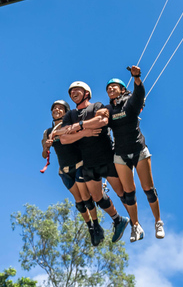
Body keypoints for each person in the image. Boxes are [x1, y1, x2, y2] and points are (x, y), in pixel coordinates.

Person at [54, 81, 130, 245]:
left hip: (106, 157)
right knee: (97, 197)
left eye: (77, 90)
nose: (73, 93)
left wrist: (78, 126)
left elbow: (101, 122)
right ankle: (118, 220)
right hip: (88, 162)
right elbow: (63, 138)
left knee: (123, 193)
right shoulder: (70, 115)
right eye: (71, 91)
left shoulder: (96, 106)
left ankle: (136, 222)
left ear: (86, 93)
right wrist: (85, 132)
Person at [105, 65, 164, 241]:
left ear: (123, 89)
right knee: (128, 193)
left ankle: (158, 221)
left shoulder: (130, 101)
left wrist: (137, 78)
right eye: (108, 88)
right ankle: (136, 226)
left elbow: (139, 94)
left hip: (139, 150)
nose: (110, 89)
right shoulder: (108, 110)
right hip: (121, 154)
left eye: (113, 86)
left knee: (148, 190)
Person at [42, 99, 100, 245]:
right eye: (54, 108)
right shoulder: (48, 132)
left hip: (79, 165)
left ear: (66, 111)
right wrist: (46, 147)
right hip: (64, 171)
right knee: (79, 203)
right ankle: (90, 228)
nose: (57, 110)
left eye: (60, 108)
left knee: (86, 198)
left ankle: (96, 223)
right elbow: (44, 154)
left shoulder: (70, 126)